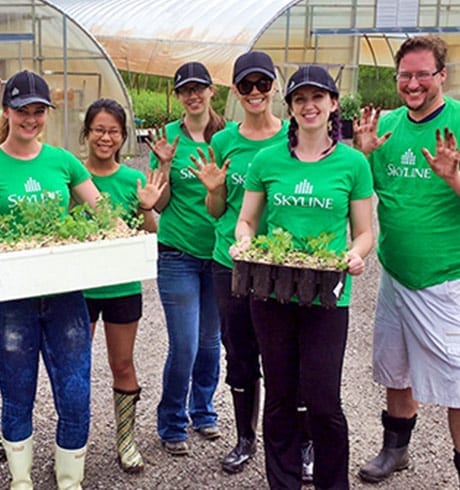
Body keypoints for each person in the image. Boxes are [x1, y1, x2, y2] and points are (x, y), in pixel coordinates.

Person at [231, 64, 374, 489]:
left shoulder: (352, 163)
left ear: (333, 104)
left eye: (317, 98)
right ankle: (284, 482)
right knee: (278, 396)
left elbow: (365, 232)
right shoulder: (267, 159)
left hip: (327, 295)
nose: (308, 106)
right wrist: (244, 243)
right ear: (290, 107)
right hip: (272, 292)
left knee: (323, 400)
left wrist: (355, 255)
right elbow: (247, 221)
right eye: (299, 99)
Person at [189, 51, 318, 479]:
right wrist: (213, 190)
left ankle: (302, 441)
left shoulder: (295, 138)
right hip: (232, 260)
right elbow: (217, 210)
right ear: (236, 92)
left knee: (289, 354)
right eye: (247, 86)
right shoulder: (224, 141)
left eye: (263, 84)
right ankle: (245, 438)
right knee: (240, 351)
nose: (256, 92)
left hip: (283, 263)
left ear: (276, 86)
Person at [354, 35, 460, 485]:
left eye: (422, 74)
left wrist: (455, 177)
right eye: (405, 75)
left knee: (458, 380)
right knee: (395, 368)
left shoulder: (457, 122)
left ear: (442, 76)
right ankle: (395, 449)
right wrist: (362, 156)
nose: (413, 83)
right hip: (395, 275)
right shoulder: (387, 127)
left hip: (447, 277)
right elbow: (360, 196)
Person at [0, 70, 101, 489]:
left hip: (64, 295)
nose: (31, 118)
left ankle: (69, 480)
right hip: (12, 298)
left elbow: (100, 210)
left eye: (38, 111)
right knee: (16, 392)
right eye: (22, 110)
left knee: (76, 393)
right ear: (7, 111)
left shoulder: (63, 161)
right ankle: (21, 481)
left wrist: (138, 210)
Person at [80, 98, 166, 473]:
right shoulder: (72, 175)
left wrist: (147, 209)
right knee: (75, 366)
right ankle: (73, 441)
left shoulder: (133, 180)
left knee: (123, 363)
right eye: (98, 129)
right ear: (86, 133)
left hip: (122, 288)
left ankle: (126, 439)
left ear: (123, 136)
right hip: (78, 289)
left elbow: (150, 236)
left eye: (113, 131)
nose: (105, 137)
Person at [145, 62, 227, 455]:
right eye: (185, 90)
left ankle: (204, 410)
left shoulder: (227, 137)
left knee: (211, 342)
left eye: (199, 88)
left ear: (212, 91)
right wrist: (163, 164)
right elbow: (158, 204)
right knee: (186, 344)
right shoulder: (168, 140)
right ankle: (172, 420)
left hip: (217, 255)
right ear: (178, 96)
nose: (193, 96)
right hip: (177, 251)